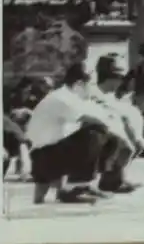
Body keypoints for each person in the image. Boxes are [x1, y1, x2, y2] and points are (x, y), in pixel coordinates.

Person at [25, 61, 116, 205]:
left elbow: (98, 112)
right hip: (45, 155)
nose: (93, 89)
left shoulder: (67, 95)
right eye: (91, 85)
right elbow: (94, 119)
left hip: (44, 154)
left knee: (101, 132)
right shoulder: (64, 98)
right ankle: (79, 186)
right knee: (97, 132)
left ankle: (68, 190)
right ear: (79, 83)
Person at [88, 53, 144, 193]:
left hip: (109, 133)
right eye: (119, 78)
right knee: (126, 144)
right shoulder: (93, 93)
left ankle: (115, 178)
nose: (121, 82)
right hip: (96, 134)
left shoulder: (110, 96)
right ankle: (112, 180)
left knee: (136, 143)